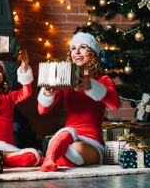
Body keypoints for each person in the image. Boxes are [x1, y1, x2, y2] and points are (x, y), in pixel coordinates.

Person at [37, 32, 120, 172]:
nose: (77, 52)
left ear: (92, 52)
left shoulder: (103, 79)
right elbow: (42, 110)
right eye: (73, 48)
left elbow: (115, 104)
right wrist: (47, 93)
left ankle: (48, 158)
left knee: (75, 147)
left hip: (91, 143)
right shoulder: (66, 79)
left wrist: (91, 86)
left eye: (83, 47)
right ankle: (50, 160)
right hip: (66, 138)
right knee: (66, 133)